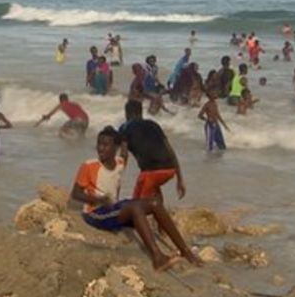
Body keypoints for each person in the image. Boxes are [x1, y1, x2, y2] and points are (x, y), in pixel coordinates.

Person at [72, 127, 191, 271]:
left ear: (115, 147)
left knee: (154, 202)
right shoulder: (88, 166)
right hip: (95, 213)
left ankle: (186, 251)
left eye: (106, 145)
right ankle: (158, 258)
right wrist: (99, 200)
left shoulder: (120, 163)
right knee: (135, 207)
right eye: (99, 144)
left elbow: (124, 152)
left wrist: (125, 138)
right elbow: (76, 194)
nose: (101, 148)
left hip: (113, 208)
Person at [118, 101, 202, 266]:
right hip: (169, 170)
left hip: (151, 172)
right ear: (141, 113)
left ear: (127, 114)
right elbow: (170, 149)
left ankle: (179, 252)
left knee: (137, 211)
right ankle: (162, 230)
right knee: (154, 196)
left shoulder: (125, 128)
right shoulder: (153, 124)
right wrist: (179, 178)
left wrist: (117, 178)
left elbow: (124, 155)